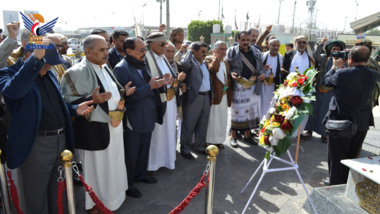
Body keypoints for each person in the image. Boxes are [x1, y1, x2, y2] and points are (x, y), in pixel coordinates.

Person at [0, 39, 93, 214]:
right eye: (46, 63)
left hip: (60, 140)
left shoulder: (49, 74)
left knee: (60, 190)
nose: (50, 67)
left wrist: (74, 109)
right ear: (29, 56)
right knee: (36, 196)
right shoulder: (8, 73)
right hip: (36, 144)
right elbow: (14, 92)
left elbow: (56, 105)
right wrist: (35, 62)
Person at [61, 35, 132, 213]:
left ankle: (114, 198)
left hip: (114, 126)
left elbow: (113, 92)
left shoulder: (105, 67)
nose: (106, 53)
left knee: (114, 164)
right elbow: (66, 102)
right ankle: (95, 204)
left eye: (107, 48)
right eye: (102, 50)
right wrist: (92, 100)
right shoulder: (74, 73)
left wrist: (124, 93)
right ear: (88, 51)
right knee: (97, 170)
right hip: (94, 129)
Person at [114, 37, 171, 198]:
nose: (144, 53)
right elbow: (126, 96)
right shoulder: (121, 69)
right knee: (131, 152)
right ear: (129, 51)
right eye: (141, 50)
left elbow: (148, 84)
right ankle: (129, 183)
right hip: (133, 117)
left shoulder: (142, 63)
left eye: (144, 49)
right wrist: (150, 86)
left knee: (144, 148)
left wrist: (159, 83)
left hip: (147, 114)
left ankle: (141, 174)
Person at [322, 45, 380, 186]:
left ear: (350, 59)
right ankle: (347, 183)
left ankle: (335, 184)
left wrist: (334, 67)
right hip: (362, 123)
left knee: (336, 157)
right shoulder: (374, 74)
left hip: (341, 122)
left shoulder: (342, 74)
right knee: (353, 155)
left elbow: (326, 81)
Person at [145, 32, 185, 171]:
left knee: (168, 131)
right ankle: (154, 165)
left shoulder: (163, 58)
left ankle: (168, 159)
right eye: (162, 44)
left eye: (165, 44)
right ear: (151, 44)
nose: (164, 47)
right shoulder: (146, 58)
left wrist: (177, 83)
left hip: (170, 100)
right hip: (158, 102)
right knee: (158, 133)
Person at [226, 31, 267, 147]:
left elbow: (260, 68)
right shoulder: (232, 52)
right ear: (238, 40)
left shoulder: (256, 52)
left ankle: (247, 136)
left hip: (253, 85)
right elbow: (226, 66)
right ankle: (233, 136)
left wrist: (262, 74)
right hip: (239, 86)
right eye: (243, 40)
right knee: (237, 112)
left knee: (251, 112)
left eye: (247, 40)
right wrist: (231, 74)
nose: (245, 42)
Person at [305, 38, 346, 143]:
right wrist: (321, 44)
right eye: (333, 48)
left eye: (338, 49)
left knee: (326, 112)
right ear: (329, 49)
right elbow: (315, 56)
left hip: (331, 90)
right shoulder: (325, 58)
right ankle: (309, 131)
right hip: (318, 88)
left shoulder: (342, 61)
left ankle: (324, 134)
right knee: (313, 110)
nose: (335, 50)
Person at [180, 42, 212, 159]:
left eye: (206, 51)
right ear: (194, 51)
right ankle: (185, 149)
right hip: (194, 97)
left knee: (203, 124)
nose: (205, 53)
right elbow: (183, 64)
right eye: (202, 51)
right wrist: (189, 51)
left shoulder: (204, 63)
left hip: (206, 97)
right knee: (189, 123)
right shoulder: (190, 61)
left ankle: (199, 146)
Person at [282, 35, 316, 139]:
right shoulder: (289, 54)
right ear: (295, 43)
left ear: (306, 44)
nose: (302, 44)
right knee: (290, 110)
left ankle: (299, 133)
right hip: (291, 87)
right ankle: (287, 132)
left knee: (303, 111)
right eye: (299, 42)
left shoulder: (311, 56)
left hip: (306, 88)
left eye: (304, 43)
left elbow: (315, 69)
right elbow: (285, 68)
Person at [205, 41, 232, 148]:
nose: (223, 51)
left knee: (222, 118)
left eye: (225, 49)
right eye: (221, 49)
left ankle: (219, 140)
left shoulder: (225, 62)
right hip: (215, 95)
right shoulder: (209, 59)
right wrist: (215, 57)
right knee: (213, 119)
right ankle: (209, 140)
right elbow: (213, 69)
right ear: (215, 50)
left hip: (224, 95)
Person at [259, 39, 284, 121]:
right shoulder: (263, 56)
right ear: (269, 46)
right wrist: (263, 69)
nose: (276, 47)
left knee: (272, 106)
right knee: (261, 105)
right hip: (262, 85)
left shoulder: (281, 57)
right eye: (274, 45)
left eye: (277, 46)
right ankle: (259, 125)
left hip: (274, 86)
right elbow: (257, 69)